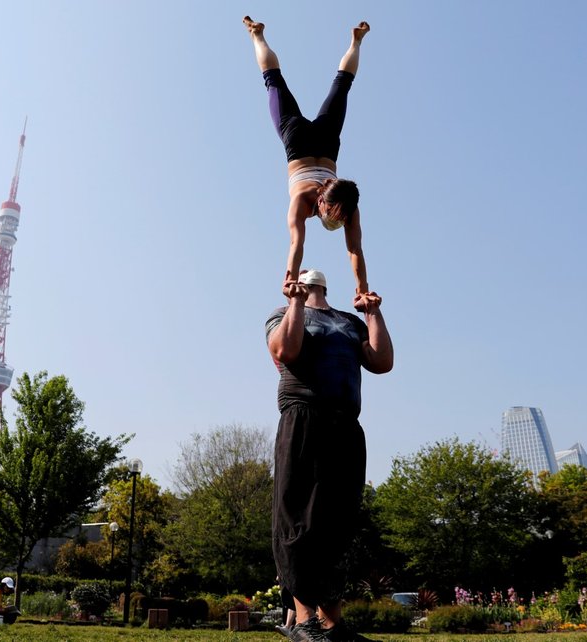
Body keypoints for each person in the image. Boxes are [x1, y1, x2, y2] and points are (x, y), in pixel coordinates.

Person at [266, 269, 394, 642]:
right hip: (302, 418)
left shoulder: (348, 321)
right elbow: (285, 350)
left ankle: (332, 623)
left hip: (345, 424)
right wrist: (296, 302)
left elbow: (382, 362)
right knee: (298, 520)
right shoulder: (282, 313)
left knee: (338, 524)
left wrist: (372, 313)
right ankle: (304, 621)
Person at [244, 16, 381, 312]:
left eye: (339, 217)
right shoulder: (303, 200)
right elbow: (297, 245)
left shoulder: (347, 203)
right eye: (333, 214)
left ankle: (355, 41)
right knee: (273, 81)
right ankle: (257, 36)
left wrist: (362, 290)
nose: (335, 220)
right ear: (321, 199)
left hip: (326, 144)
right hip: (300, 144)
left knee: (341, 86)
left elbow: (354, 249)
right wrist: (290, 279)